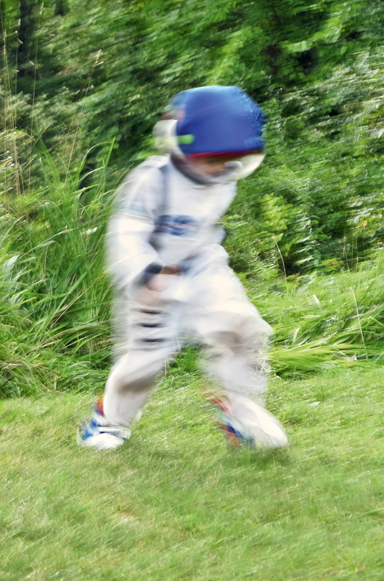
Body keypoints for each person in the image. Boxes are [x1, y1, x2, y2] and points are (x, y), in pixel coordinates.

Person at [78, 85, 288, 451]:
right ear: (182, 146)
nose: (222, 169)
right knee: (146, 361)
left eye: (230, 160)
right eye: (213, 160)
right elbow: (126, 230)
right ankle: (108, 421)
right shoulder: (152, 179)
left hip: (202, 266)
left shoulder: (223, 178)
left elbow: (204, 226)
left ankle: (241, 413)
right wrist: (145, 272)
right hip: (151, 276)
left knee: (242, 327)